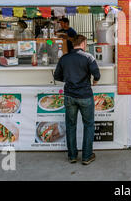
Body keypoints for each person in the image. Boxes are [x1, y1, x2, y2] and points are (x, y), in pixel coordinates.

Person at [54, 35, 100, 165]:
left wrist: (69, 79)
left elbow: (57, 76)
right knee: (89, 125)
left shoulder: (64, 58)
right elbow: (97, 74)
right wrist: (95, 81)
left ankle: (72, 156)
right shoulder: (88, 57)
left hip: (69, 95)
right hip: (85, 95)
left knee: (70, 125)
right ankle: (86, 156)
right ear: (83, 43)